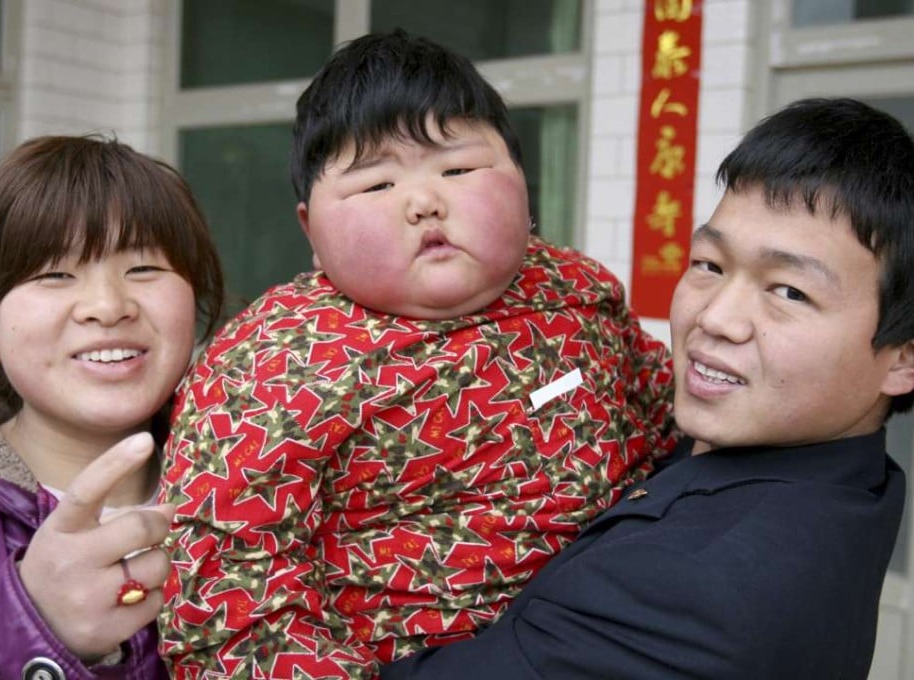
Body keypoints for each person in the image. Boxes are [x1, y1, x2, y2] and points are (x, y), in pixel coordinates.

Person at [160, 29, 677, 678]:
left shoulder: (579, 289)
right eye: (375, 185)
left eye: (458, 169)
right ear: (310, 233)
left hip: (631, 631)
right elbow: (226, 591)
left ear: (524, 186)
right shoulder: (267, 363)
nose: (425, 201)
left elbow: (671, 420)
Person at [378, 97, 914, 679]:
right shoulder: (849, 474)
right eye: (709, 263)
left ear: (903, 358)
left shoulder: (688, 591)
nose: (715, 318)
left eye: (789, 292)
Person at [0, 135, 225, 679]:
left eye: (143, 268)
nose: (107, 307)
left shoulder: (263, 485)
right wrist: (32, 627)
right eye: (54, 275)